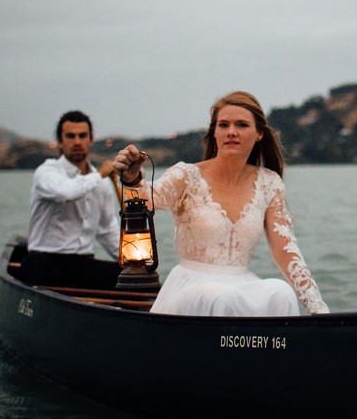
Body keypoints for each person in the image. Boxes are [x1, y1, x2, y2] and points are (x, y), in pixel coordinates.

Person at [112, 91, 329, 316]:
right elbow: (145, 199)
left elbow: (285, 249)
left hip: (241, 282)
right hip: (194, 286)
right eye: (223, 125)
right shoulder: (187, 175)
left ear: (259, 135)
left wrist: (317, 307)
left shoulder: (269, 183)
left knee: (280, 292)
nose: (231, 132)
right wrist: (132, 179)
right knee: (220, 295)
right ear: (214, 133)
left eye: (242, 125)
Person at [16, 110, 122, 289]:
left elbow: (107, 231)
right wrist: (100, 174)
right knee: (32, 263)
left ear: (90, 139)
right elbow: (66, 192)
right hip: (45, 260)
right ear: (60, 141)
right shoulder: (46, 172)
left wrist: (133, 265)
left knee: (130, 277)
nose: (77, 142)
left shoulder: (101, 184)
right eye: (70, 136)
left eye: (82, 136)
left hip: (83, 264)